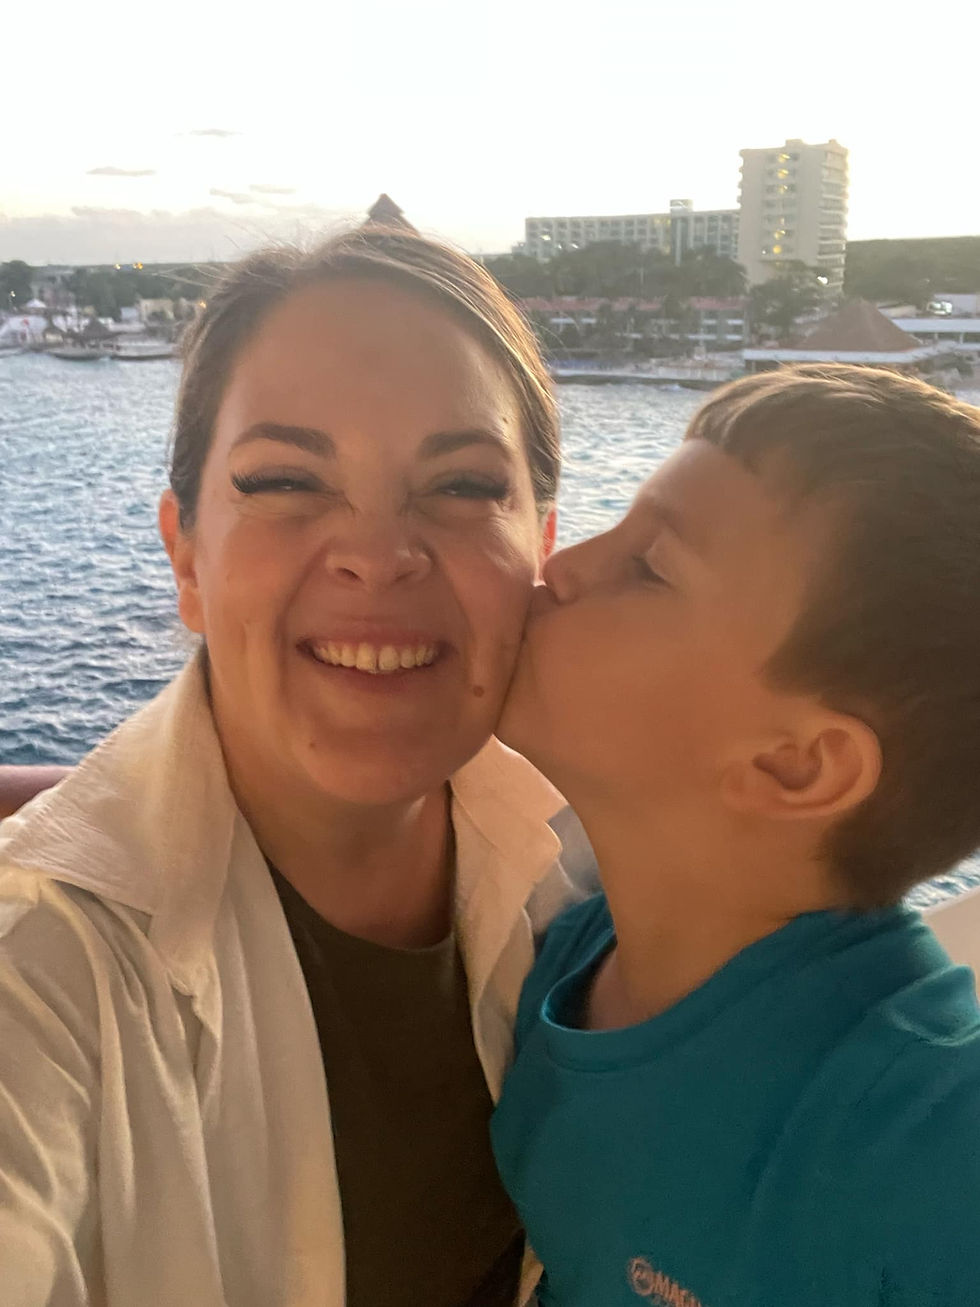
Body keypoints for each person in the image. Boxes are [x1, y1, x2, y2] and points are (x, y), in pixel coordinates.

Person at [0, 226, 592, 1307]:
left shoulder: (608, 866)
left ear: (540, 549)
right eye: (284, 479)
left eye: (462, 484)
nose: (378, 553)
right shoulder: (39, 970)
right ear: (187, 556)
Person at [491, 365, 980, 1306]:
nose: (563, 564)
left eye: (649, 566)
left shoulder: (923, 1127)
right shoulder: (560, 960)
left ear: (795, 765)